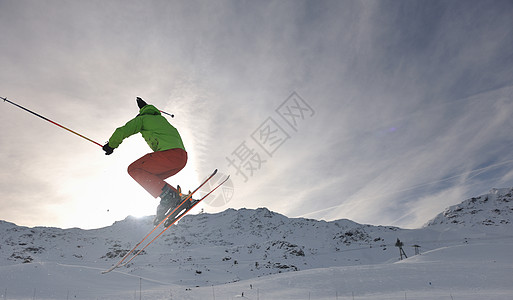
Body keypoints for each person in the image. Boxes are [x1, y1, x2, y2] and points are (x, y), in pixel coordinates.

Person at [103, 97, 188, 225]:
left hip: (170, 155)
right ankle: (177, 199)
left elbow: (124, 130)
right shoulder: (161, 120)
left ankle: (169, 198)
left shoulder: (143, 119)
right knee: (149, 178)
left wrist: (111, 145)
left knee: (135, 169)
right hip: (181, 159)